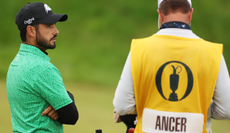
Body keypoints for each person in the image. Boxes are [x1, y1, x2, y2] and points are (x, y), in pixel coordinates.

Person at [113, 0, 230, 133]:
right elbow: (226, 109)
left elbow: (122, 106)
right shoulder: (212, 52)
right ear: (190, 14)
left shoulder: (140, 49)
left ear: (160, 15)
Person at [6, 2, 78, 132]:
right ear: (31, 31)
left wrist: (61, 101)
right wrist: (67, 97)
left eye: (54, 25)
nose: (56, 31)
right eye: (48, 26)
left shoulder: (16, 63)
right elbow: (71, 116)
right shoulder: (42, 68)